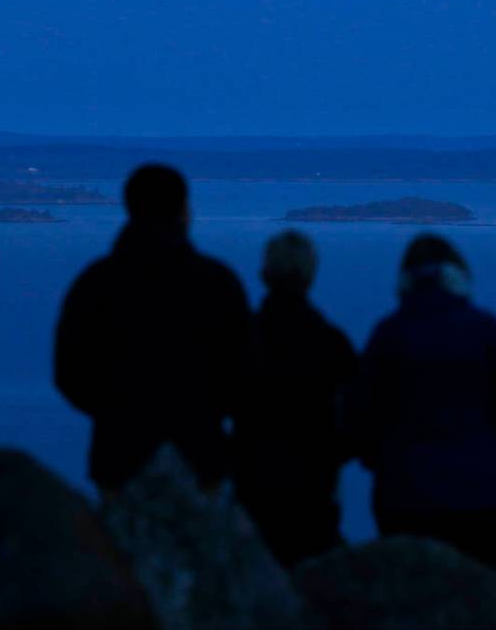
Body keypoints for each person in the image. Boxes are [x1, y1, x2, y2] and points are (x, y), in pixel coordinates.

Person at [54, 164, 253, 496]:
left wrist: (117, 413)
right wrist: (205, 414)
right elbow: (245, 371)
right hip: (200, 453)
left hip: (120, 456)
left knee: (122, 546)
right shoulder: (217, 283)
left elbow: (70, 372)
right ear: (183, 210)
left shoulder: (97, 284)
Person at [347, 233, 496, 569]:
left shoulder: (388, 335)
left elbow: (358, 414)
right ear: (459, 277)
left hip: (404, 496)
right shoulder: (488, 331)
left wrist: (381, 463)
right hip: (483, 496)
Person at [234, 230, 357, 567]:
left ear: (265, 275)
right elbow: (360, 419)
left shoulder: (242, 340)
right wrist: (334, 452)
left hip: (252, 484)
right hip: (315, 491)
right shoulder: (331, 343)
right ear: (311, 275)